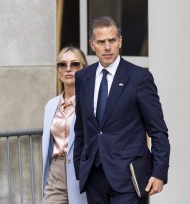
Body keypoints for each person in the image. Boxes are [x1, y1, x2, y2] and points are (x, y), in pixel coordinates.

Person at [73, 16, 170, 204]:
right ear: (92, 45)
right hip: (94, 177)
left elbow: (158, 130)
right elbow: (81, 128)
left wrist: (159, 172)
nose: (107, 47)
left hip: (129, 178)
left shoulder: (139, 78)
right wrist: (80, 167)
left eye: (112, 40)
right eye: (101, 42)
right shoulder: (83, 78)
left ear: (120, 41)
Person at [42, 46, 88, 204]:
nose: (68, 68)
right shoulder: (51, 105)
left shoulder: (90, 103)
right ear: (58, 70)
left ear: (84, 69)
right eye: (63, 64)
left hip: (81, 170)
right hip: (56, 172)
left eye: (75, 64)